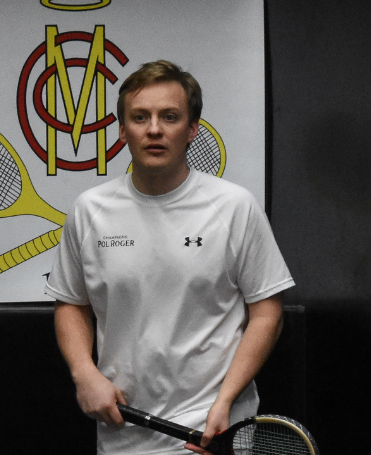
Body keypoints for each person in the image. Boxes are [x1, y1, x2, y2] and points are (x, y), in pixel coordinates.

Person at [47, 60, 294, 454]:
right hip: (123, 434)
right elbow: (71, 304)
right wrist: (83, 373)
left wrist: (226, 401)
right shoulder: (89, 209)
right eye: (140, 117)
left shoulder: (234, 207)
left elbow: (267, 312)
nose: (155, 129)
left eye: (170, 117)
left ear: (192, 129)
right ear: (122, 129)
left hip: (216, 431)